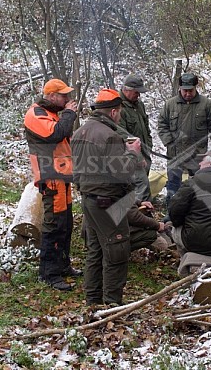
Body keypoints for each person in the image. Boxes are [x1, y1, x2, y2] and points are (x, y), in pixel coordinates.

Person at [71, 88, 141, 306]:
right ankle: (112, 305)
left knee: (95, 251)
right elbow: (121, 172)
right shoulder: (109, 135)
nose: (119, 116)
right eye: (118, 112)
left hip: (89, 199)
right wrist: (132, 153)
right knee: (116, 252)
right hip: (107, 201)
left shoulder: (80, 132)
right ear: (113, 112)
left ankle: (93, 302)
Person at [24, 78, 80, 291]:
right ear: (51, 96)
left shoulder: (53, 113)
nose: (67, 99)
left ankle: (63, 265)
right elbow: (55, 135)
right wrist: (69, 114)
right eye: (63, 95)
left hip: (63, 176)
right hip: (51, 176)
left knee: (65, 224)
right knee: (54, 226)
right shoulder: (36, 114)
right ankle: (49, 273)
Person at [158, 73, 211, 219]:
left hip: (198, 153)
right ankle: (172, 214)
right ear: (180, 88)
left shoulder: (205, 104)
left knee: (199, 184)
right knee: (173, 184)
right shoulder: (170, 104)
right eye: (184, 90)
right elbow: (162, 124)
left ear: (196, 88)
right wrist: (168, 141)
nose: (187, 93)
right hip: (175, 153)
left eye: (191, 90)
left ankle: (198, 214)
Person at [118, 74, 152, 202]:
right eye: (136, 92)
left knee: (140, 185)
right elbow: (123, 136)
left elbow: (146, 128)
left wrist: (148, 146)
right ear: (126, 90)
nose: (139, 95)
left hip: (144, 151)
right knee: (141, 188)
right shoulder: (118, 107)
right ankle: (141, 217)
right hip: (130, 156)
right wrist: (137, 157)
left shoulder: (139, 105)